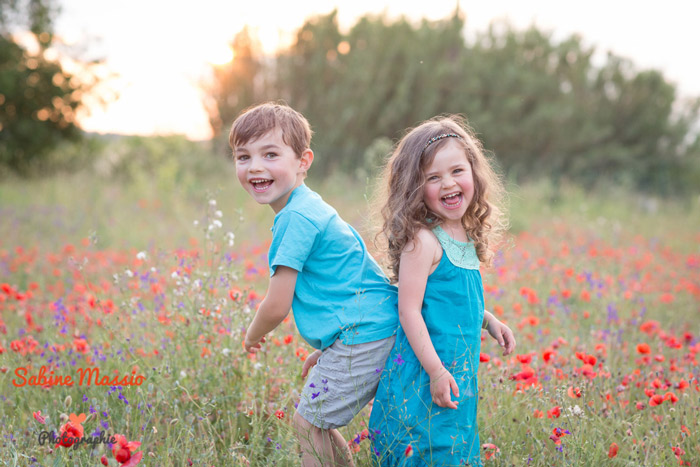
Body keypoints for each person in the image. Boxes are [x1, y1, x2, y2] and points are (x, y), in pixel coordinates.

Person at [229, 102, 399, 467]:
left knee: (308, 424)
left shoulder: (296, 218)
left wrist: (252, 336)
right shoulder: (308, 206)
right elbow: (344, 283)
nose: (255, 166)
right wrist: (332, 346)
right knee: (314, 422)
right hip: (365, 327)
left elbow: (276, 305)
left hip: (365, 332)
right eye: (243, 156)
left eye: (270, 154)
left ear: (303, 161)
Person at [368, 115, 516, 466]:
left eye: (456, 171)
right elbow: (410, 310)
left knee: (452, 449)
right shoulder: (423, 240)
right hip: (424, 373)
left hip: (456, 374)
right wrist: (434, 371)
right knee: (424, 449)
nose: (448, 183)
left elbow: (451, 301)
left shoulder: (464, 233)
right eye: (432, 178)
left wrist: (488, 320)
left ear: (474, 174)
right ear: (414, 188)